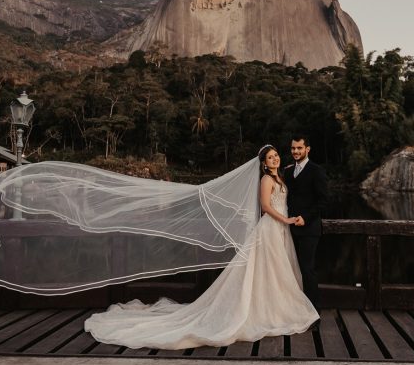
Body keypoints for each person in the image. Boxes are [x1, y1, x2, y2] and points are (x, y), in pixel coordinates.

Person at [83, 145, 319, 349]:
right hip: (272, 227)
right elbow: (266, 206)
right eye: (270, 158)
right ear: (264, 164)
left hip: (281, 230)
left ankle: (275, 308)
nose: (275, 159)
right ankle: (268, 312)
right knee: (269, 270)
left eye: (276, 155)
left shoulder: (282, 177)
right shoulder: (267, 179)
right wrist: (286, 219)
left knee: (277, 273)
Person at [283, 134, 328, 326]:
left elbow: (323, 200)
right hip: (288, 228)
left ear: (307, 149)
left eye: (299, 148)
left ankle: (314, 315)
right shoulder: (288, 170)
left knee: (307, 270)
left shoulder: (316, 171)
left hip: (309, 229)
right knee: (289, 269)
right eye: (293, 148)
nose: (295, 151)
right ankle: (294, 309)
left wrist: (306, 218)